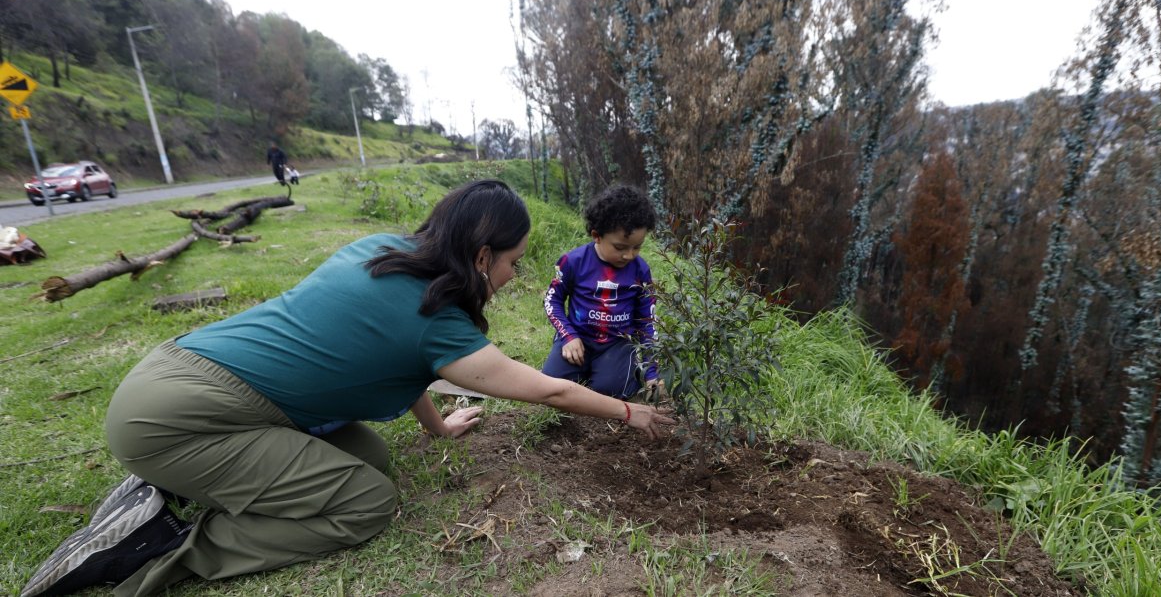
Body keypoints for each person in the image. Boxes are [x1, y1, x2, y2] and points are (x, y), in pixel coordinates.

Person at [21, 179, 674, 597]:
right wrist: (628, 411)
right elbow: (549, 390)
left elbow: (403, 360)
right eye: (512, 261)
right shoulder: (440, 324)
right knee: (365, 503)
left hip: (171, 376)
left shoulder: (383, 249)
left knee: (368, 455)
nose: (514, 275)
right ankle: (159, 545)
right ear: (482, 256)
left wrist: (438, 427)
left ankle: (170, 485)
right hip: (178, 419)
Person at [541, 184, 660, 400]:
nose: (629, 255)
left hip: (617, 343)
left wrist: (652, 371)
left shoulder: (640, 271)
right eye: (620, 247)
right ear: (597, 235)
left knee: (612, 392)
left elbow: (648, 321)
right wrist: (568, 336)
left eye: (637, 247)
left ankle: (614, 372)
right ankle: (583, 366)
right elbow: (552, 301)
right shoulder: (573, 261)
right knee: (550, 385)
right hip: (578, 337)